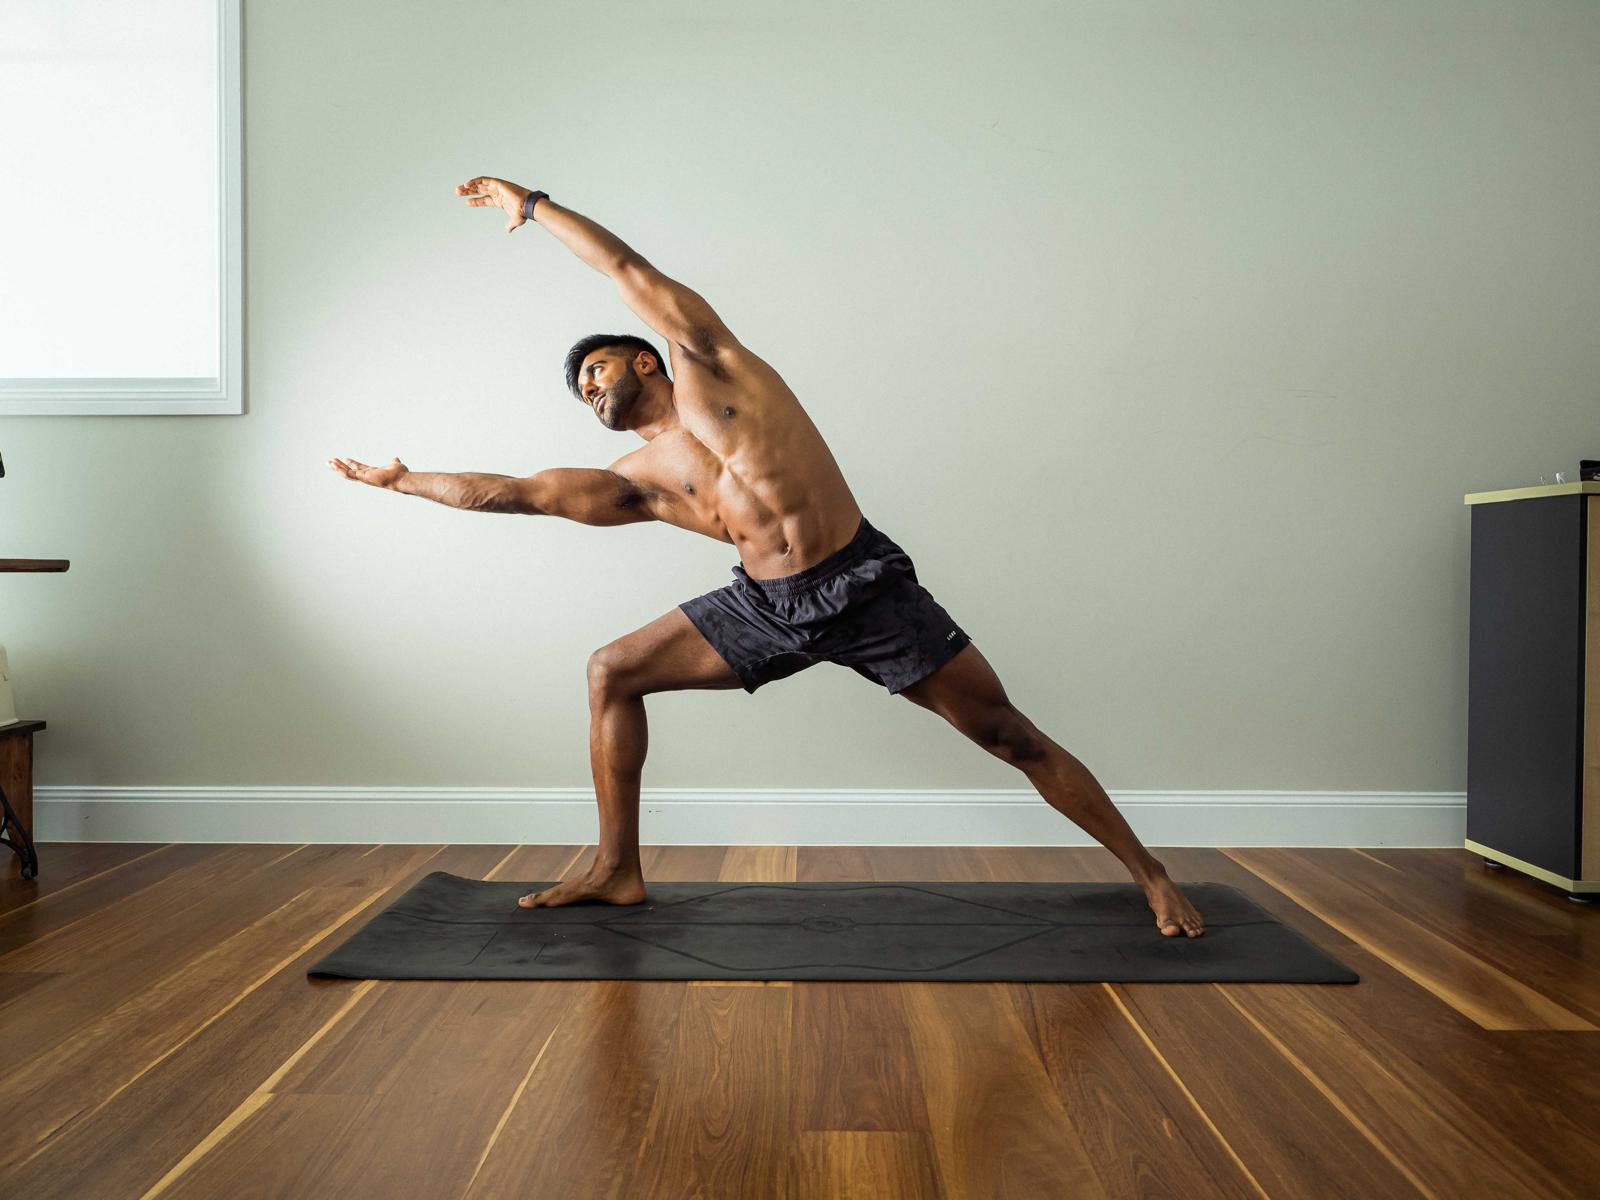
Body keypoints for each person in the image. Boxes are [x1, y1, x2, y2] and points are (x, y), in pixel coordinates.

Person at [326, 176, 1205, 938]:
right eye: (580, 390)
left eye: (597, 371)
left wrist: (533, 205)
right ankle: (615, 870)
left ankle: (1149, 873)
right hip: (765, 604)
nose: (590, 389)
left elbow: (627, 272)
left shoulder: (718, 373)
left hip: (861, 587)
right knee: (611, 671)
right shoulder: (637, 480)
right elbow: (515, 491)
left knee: (1008, 734)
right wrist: (403, 482)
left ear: (643, 358)